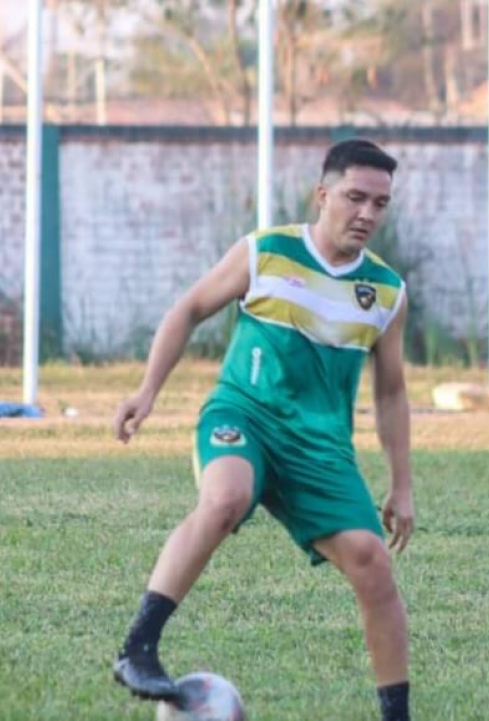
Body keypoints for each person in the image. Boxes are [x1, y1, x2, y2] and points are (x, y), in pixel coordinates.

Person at [111, 138, 415, 721]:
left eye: (380, 204)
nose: (367, 215)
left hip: (320, 448)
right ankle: (138, 648)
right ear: (322, 194)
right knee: (224, 497)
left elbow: (392, 390)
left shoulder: (386, 292)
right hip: (243, 414)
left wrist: (402, 485)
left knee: (372, 563)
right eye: (355, 198)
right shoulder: (267, 250)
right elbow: (189, 309)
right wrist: (146, 391)